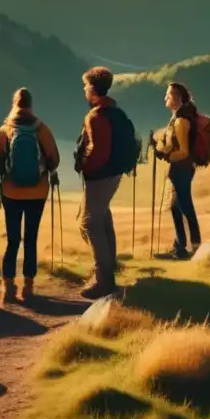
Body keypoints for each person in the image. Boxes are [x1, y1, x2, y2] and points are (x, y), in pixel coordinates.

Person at [0, 88, 61, 305]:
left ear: (14, 104)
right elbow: (54, 159)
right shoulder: (41, 129)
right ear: (31, 105)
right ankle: (28, 287)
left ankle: (8, 287)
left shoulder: (6, 130)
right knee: (30, 239)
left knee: (12, 240)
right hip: (37, 192)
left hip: (11, 192)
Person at [75, 66, 125, 299]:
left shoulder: (95, 116)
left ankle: (104, 279)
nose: (84, 91)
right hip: (114, 173)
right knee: (103, 217)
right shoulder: (114, 111)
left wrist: (84, 165)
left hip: (100, 176)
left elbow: (98, 151)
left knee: (89, 224)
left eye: (85, 87)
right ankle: (109, 269)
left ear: (93, 89)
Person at [153, 82, 202, 260]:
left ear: (177, 98)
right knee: (175, 207)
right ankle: (180, 246)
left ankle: (193, 247)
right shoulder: (176, 118)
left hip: (181, 169)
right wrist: (160, 148)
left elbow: (184, 151)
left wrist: (166, 156)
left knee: (184, 206)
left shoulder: (181, 121)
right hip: (179, 169)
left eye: (168, 95)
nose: (165, 98)